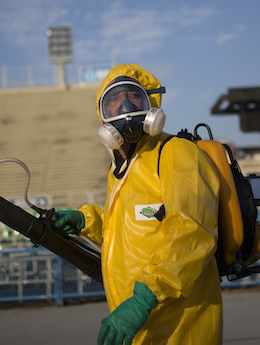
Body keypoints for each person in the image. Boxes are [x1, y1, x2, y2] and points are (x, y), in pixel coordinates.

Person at [54, 64, 223, 345]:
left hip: (181, 326)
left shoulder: (177, 154)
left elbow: (194, 234)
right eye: (114, 102)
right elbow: (131, 230)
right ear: (103, 117)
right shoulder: (123, 169)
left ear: (151, 104)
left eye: (134, 97)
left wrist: (144, 299)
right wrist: (87, 221)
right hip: (142, 327)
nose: (125, 107)